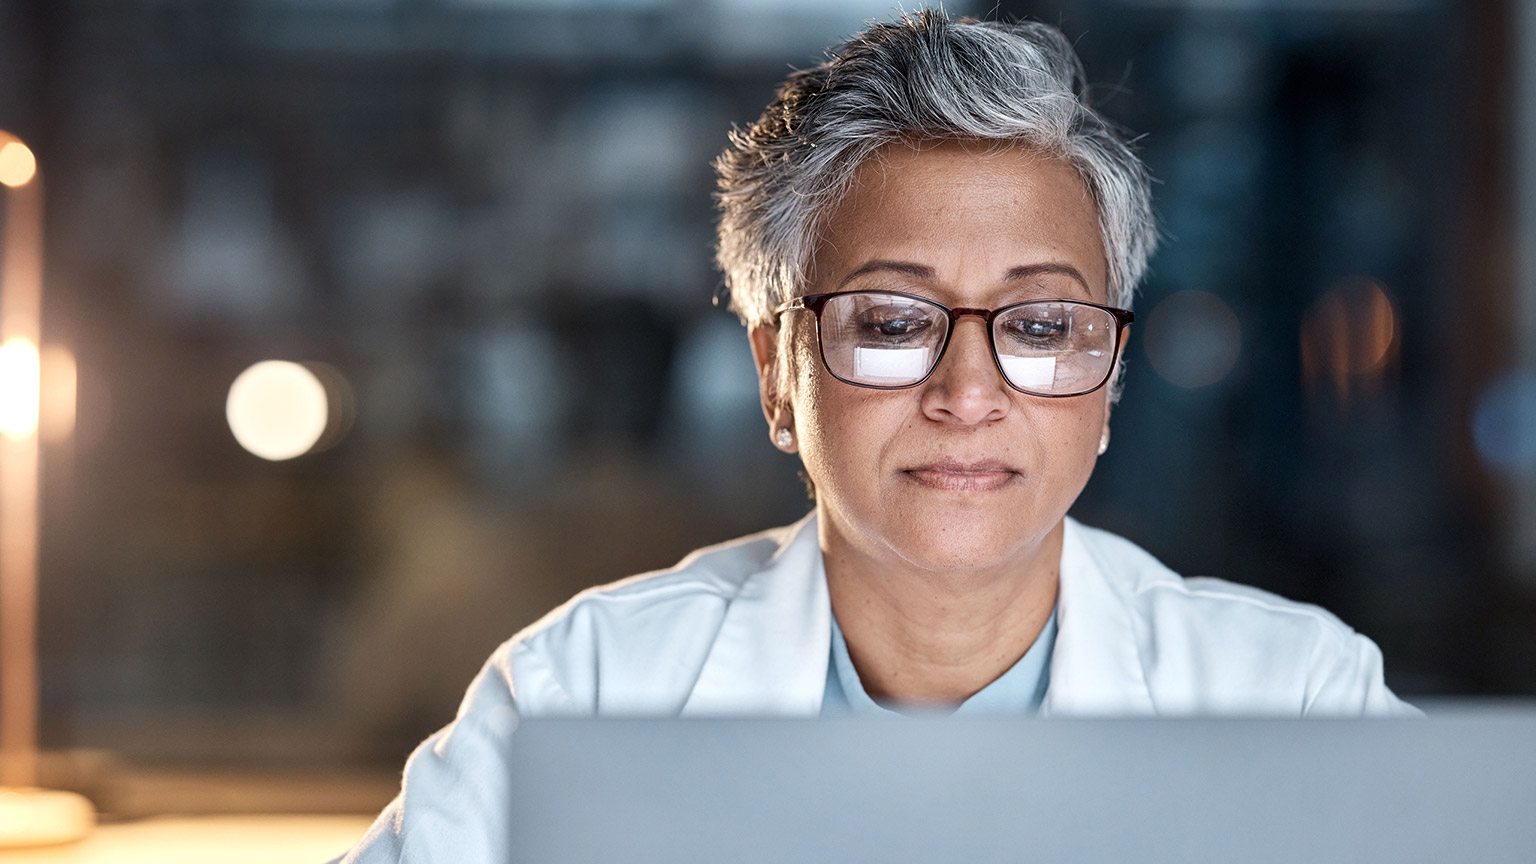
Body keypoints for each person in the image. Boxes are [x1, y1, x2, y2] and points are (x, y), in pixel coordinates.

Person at [340, 11, 1416, 863]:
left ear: (1111, 381)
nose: (968, 390)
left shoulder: (1293, 700)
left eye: (1041, 327)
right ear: (776, 377)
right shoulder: (585, 694)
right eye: (894, 323)